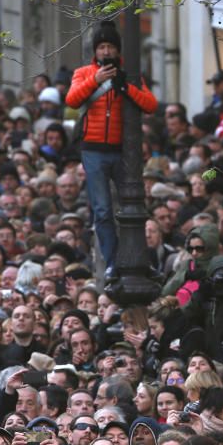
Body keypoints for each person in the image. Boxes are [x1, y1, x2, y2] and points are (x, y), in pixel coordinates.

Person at [64, 20, 158, 274]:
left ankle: (139, 257)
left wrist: (126, 88)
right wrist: (95, 81)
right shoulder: (83, 73)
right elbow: (72, 100)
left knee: (134, 205)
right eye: (101, 47)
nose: (105, 52)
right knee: (103, 210)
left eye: (110, 47)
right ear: (95, 51)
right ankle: (114, 261)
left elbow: (150, 104)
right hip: (93, 150)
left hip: (121, 151)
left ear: (118, 51)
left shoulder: (130, 73)